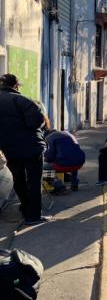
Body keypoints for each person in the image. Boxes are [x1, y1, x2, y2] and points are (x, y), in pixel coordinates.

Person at [0, 74, 50, 225]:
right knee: (34, 181)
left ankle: (26, 208)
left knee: (18, 179)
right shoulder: (21, 100)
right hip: (31, 147)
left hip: (9, 149)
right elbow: (37, 121)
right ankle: (33, 216)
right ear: (15, 85)